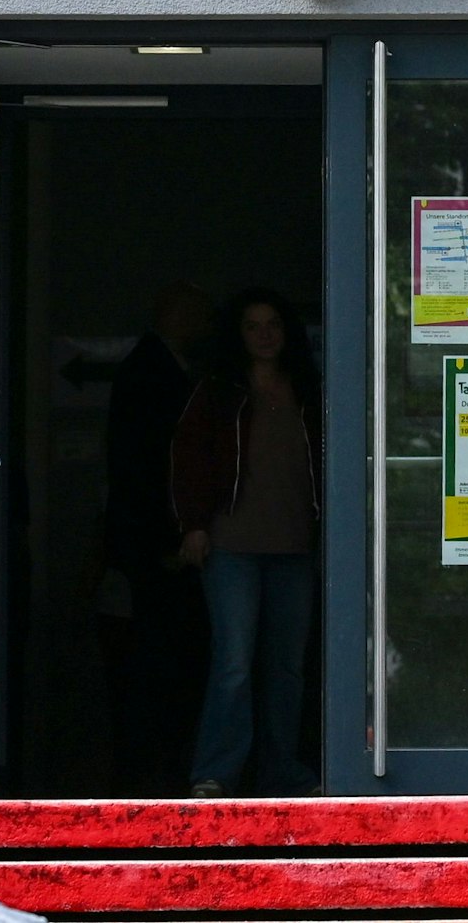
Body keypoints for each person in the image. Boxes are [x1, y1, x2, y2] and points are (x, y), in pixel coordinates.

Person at [171, 289, 321, 798]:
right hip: (232, 544)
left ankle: (283, 771)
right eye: (253, 325)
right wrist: (193, 525)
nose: (264, 335)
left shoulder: (310, 389)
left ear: (288, 331)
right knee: (233, 660)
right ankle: (216, 774)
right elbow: (187, 460)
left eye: (273, 324)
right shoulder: (218, 391)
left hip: (296, 546)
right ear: (238, 334)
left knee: (288, 666)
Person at [102, 281, 214, 794]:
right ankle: (153, 767)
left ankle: (159, 763)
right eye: (193, 311)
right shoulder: (150, 372)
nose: (201, 322)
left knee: (170, 653)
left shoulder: (159, 366)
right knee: (161, 657)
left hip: (162, 541)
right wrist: (162, 545)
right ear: (171, 313)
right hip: (159, 543)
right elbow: (140, 467)